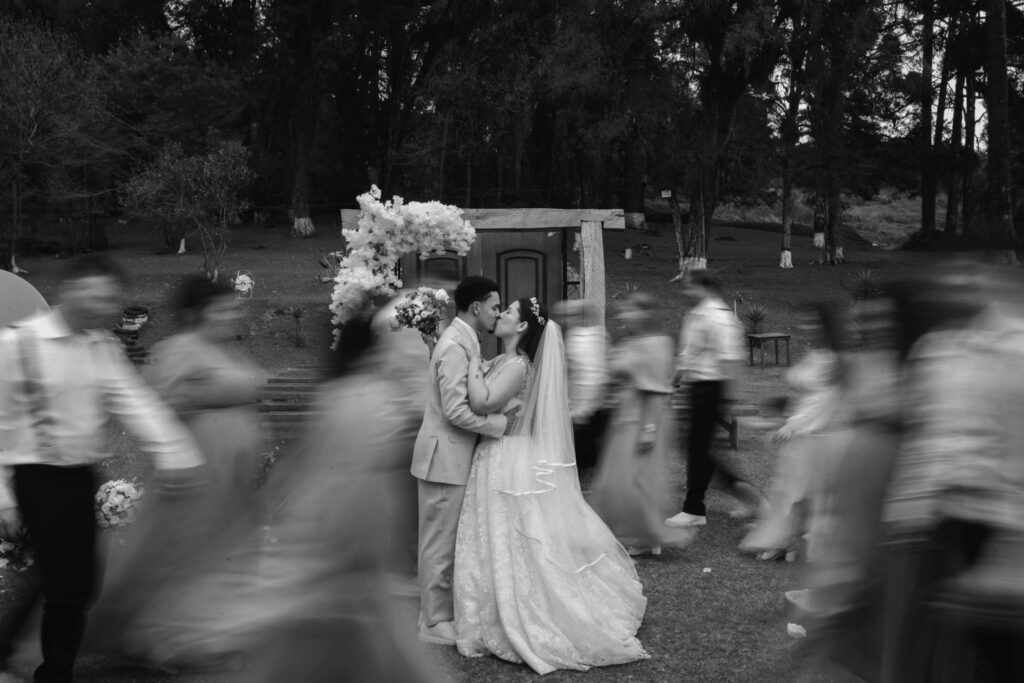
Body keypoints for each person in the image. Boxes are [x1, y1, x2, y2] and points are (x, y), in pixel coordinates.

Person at [0, 254, 205, 683]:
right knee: (67, 585)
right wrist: (3, 499)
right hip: (35, 477)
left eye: (110, 298)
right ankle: (54, 673)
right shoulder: (18, 344)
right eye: (95, 295)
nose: (103, 306)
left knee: (76, 582)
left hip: (80, 477)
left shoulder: (101, 347)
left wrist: (177, 455)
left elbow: (134, 402)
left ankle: (11, 655)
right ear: (69, 291)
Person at [454, 297, 649, 674]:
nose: (501, 314)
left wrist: (475, 366)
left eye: (509, 311)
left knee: (512, 535)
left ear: (522, 326)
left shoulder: (516, 364)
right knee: (496, 535)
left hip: (506, 456)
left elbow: (481, 404)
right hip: (496, 453)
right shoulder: (505, 360)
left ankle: (521, 609)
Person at [84, 275, 262, 661]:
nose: (231, 316)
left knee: (218, 551)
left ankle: (197, 636)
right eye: (222, 309)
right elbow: (156, 406)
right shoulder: (178, 349)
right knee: (179, 552)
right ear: (197, 313)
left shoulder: (226, 351)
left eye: (233, 308)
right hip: (194, 473)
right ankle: (153, 637)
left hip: (227, 477)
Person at [411, 275, 510, 646]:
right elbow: (454, 411)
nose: (498, 313)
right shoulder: (454, 345)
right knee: (439, 541)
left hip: (451, 454)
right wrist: (499, 424)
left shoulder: (463, 339)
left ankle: (435, 611)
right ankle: (433, 622)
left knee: (444, 539)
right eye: (495, 307)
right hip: (444, 456)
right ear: (477, 306)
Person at [590, 294, 695, 556]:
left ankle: (652, 535)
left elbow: (656, 392)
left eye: (630, 311)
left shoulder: (658, 344)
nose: (624, 316)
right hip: (624, 416)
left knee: (634, 481)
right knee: (614, 481)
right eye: (624, 311)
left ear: (646, 313)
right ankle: (634, 534)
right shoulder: (630, 342)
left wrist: (649, 430)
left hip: (644, 419)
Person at [666, 269, 763, 529]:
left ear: (706, 288)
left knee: (699, 450)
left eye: (690, 286)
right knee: (700, 450)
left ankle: (694, 509)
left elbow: (731, 360)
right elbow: (688, 356)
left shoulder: (720, 318)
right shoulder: (695, 314)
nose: (685, 291)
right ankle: (749, 499)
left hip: (712, 389)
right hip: (697, 387)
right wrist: (674, 383)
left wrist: (728, 399)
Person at [551, 299, 608, 482]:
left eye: (571, 315)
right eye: (564, 315)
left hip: (589, 405)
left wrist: (585, 407)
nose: (566, 319)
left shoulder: (594, 336)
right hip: (574, 403)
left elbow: (596, 375)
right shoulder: (570, 336)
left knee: (586, 453)